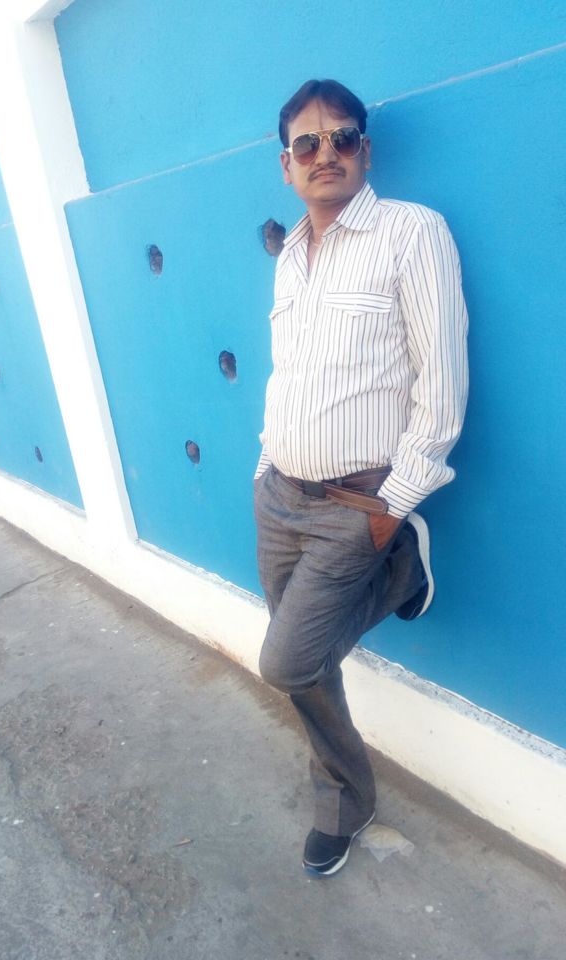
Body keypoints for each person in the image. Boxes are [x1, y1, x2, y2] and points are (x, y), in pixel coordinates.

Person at [254, 79, 468, 877]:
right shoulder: (291, 256)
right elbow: (287, 372)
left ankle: (400, 565)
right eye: (307, 144)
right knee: (310, 674)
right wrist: (265, 460)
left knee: (287, 662)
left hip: (357, 505)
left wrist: (394, 506)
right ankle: (343, 803)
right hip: (279, 495)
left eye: (342, 138)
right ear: (286, 165)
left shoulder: (411, 232)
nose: (326, 154)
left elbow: (441, 384)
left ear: (365, 151)